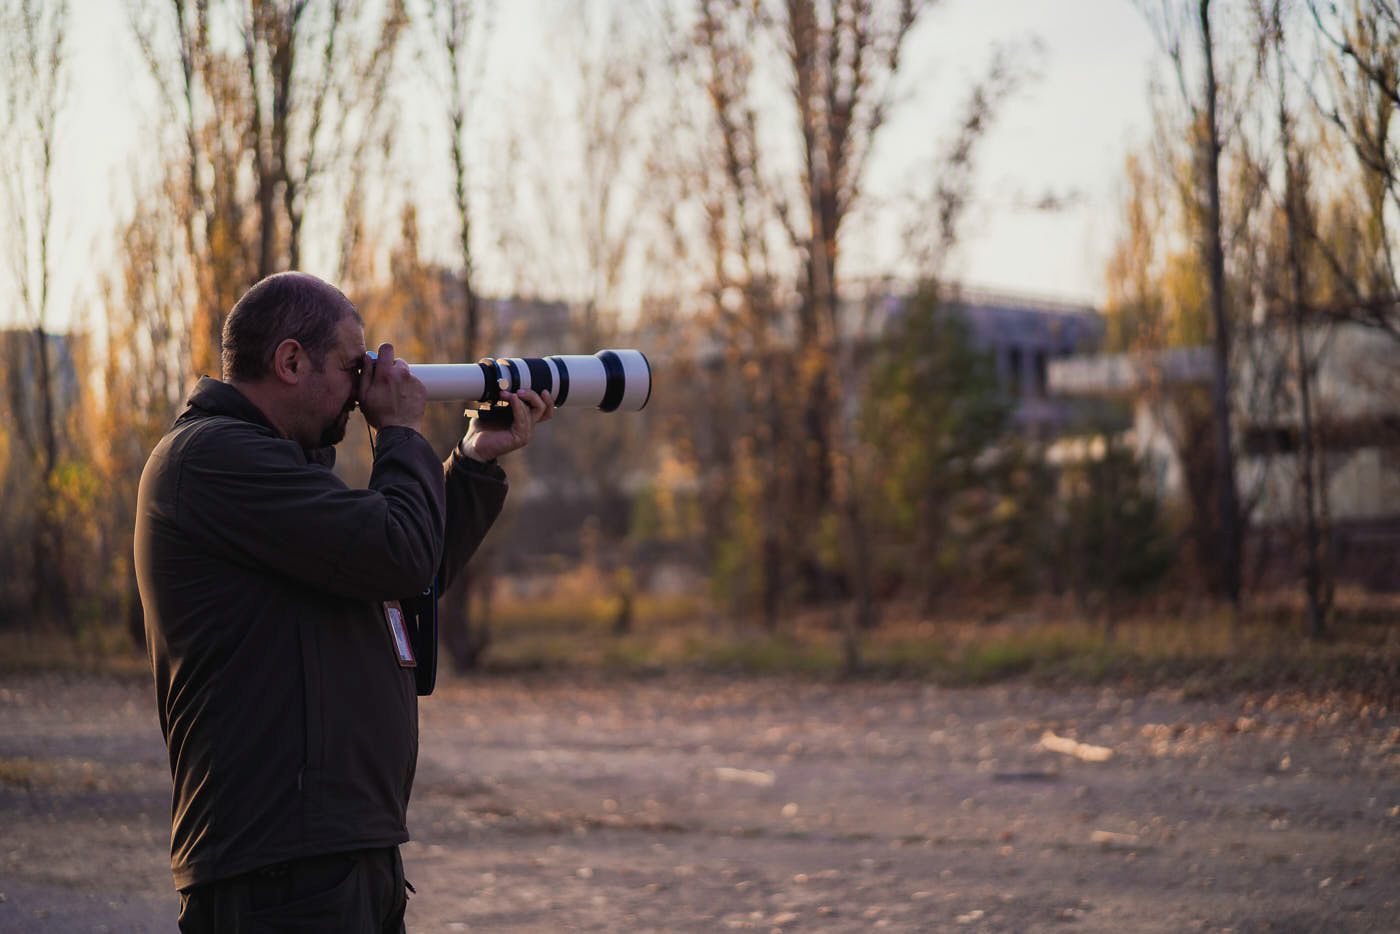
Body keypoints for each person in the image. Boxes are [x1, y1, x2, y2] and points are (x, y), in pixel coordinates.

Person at [134, 271, 552, 932]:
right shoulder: (211, 459)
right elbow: (397, 551)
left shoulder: (273, 468)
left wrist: (473, 460)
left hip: (333, 857)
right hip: (280, 870)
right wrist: (401, 432)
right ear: (291, 361)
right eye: (353, 367)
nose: (364, 389)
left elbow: (405, 574)